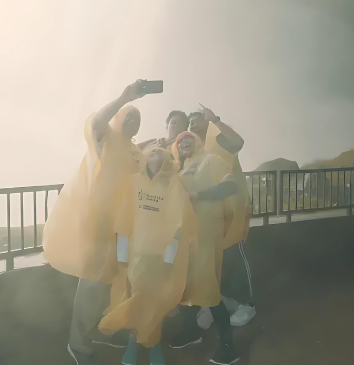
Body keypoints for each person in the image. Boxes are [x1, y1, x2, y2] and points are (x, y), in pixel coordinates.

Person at [42, 80, 150, 365]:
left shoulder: (134, 149)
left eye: (135, 119)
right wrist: (124, 96)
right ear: (118, 118)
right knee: (91, 281)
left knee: (114, 281)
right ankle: (76, 342)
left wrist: (155, 144)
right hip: (98, 223)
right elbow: (97, 122)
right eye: (127, 116)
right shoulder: (106, 137)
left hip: (125, 228)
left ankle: (100, 330)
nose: (131, 121)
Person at [97, 148, 198, 365]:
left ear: (167, 161)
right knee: (137, 302)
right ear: (145, 159)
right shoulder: (133, 182)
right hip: (136, 255)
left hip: (159, 256)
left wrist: (170, 257)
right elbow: (124, 218)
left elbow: (179, 224)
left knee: (155, 303)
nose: (156, 159)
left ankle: (152, 348)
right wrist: (122, 254)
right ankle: (136, 346)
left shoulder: (173, 185)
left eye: (161, 156)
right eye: (152, 155)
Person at [170, 132, 242, 365]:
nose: (183, 142)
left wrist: (197, 196)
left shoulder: (211, 160)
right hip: (185, 239)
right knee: (185, 286)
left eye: (188, 138)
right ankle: (191, 332)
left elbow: (231, 185)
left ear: (198, 142)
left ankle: (228, 347)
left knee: (209, 289)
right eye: (179, 141)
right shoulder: (180, 170)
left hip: (205, 237)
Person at [188, 108, 256, 328]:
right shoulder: (193, 151)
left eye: (197, 121)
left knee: (233, 253)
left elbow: (238, 142)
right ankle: (216, 303)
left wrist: (215, 120)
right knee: (211, 260)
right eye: (190, 123)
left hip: (231, 207)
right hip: (208, 215)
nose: (193, 125)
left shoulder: (219, 141)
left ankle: (247, 304)